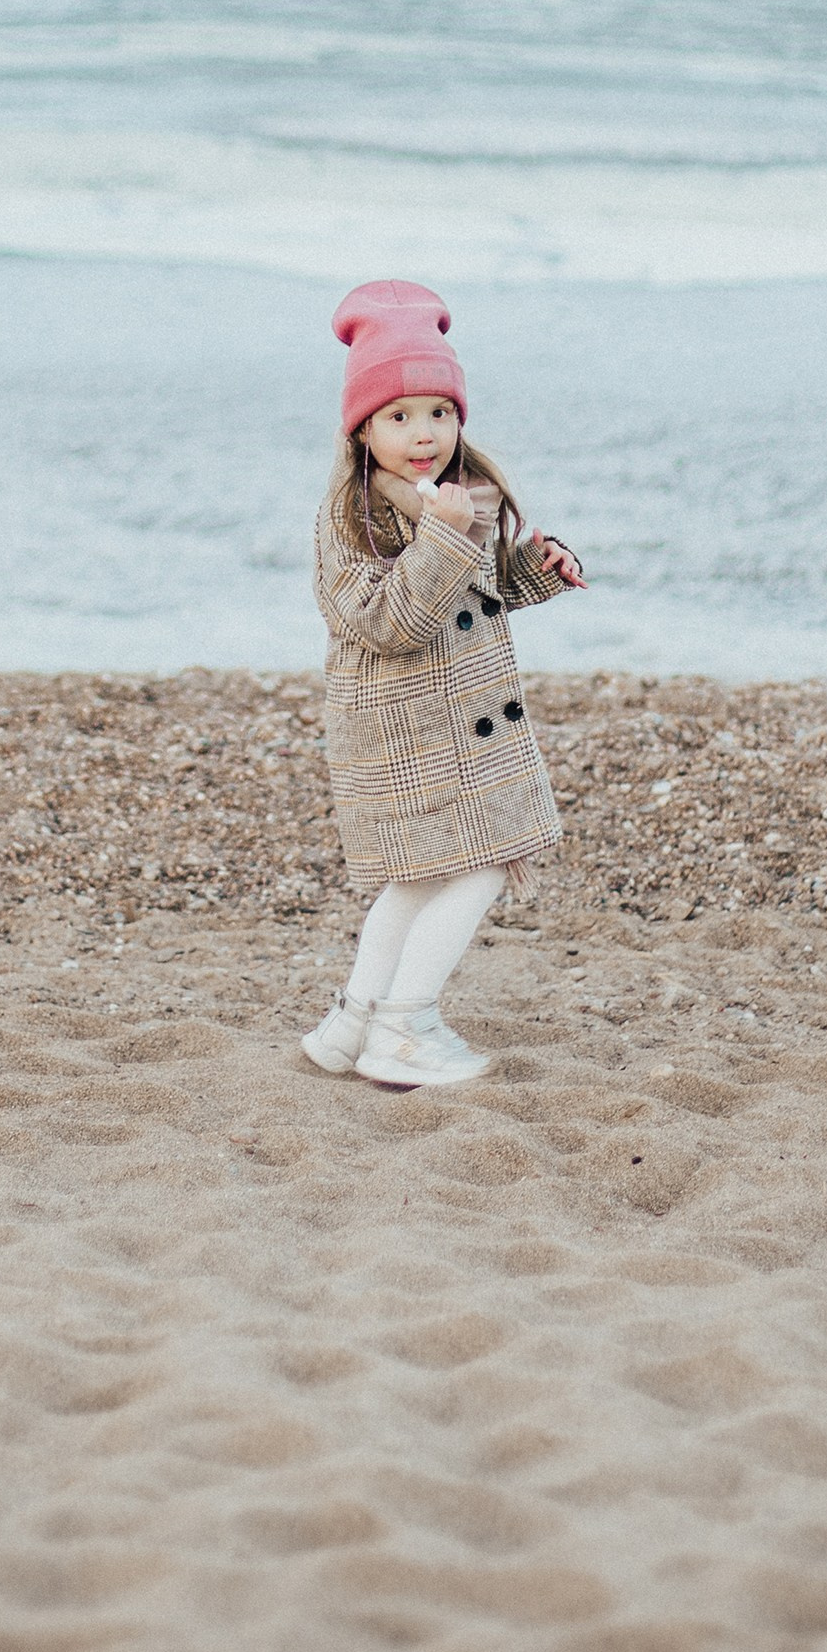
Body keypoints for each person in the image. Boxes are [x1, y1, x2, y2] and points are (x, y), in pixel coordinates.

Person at [303, 281, 584, 1090]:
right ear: (362, 427)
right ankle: (405, 1024)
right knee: (485, 862)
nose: (423, 434)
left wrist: (533, 571)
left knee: (421, 874)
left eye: (440, 412)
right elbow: (391, 621)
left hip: (453, 719)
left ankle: (352, 1023)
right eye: (399, 416)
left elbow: (474, 593)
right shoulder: (351, 518)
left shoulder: (453, 499)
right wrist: (444, 535)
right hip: (405, 733)